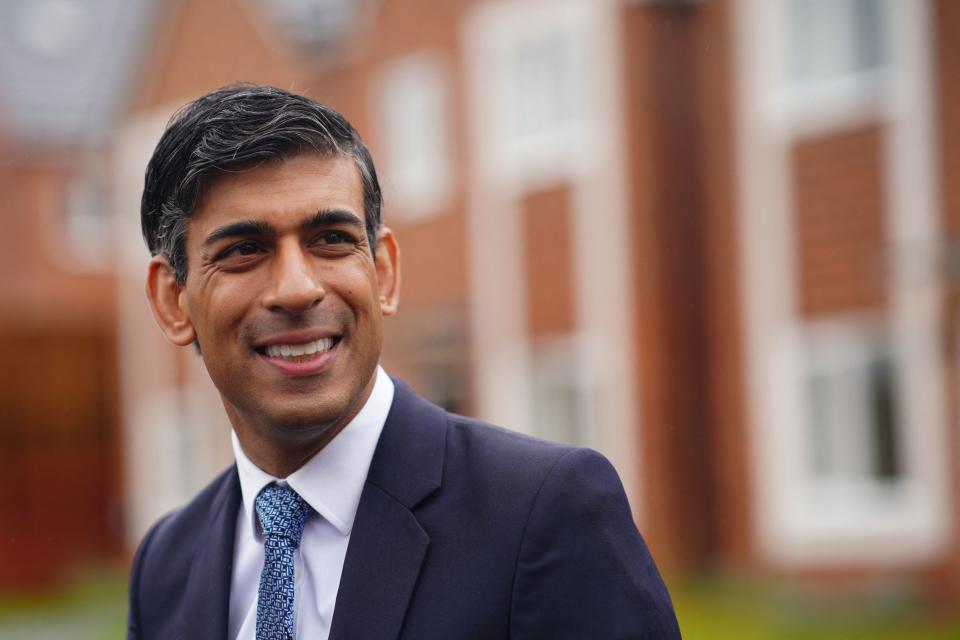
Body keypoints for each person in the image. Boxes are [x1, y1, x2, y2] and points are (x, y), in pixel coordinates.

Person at [128, 83, 680, 640]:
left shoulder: (546, 513)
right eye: (244, 250)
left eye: (331, 239)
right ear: (173, 301)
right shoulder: (165, 567)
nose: (297, 289)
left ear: (384, 272)